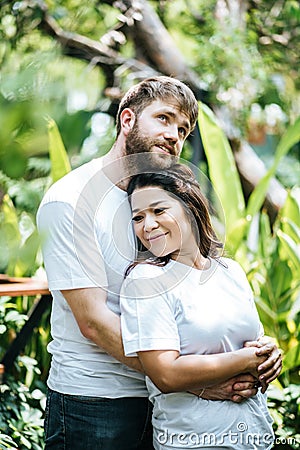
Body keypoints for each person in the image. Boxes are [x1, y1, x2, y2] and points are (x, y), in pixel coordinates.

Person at [37, 76, 281, 450]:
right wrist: (193, 380)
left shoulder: (161, 203)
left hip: (170, 405)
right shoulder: (70, 200)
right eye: (164, 119)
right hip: (97, 401)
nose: (174, 135)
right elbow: (93, 322)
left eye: (183, 129)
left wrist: (259, 351)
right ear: (128, 120)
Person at [120, 163, 278, 449]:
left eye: (158, 211)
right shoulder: (146, 280)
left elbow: (254, 344)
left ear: (189, 206)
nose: (148, 225)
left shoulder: (230, 271)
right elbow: (166, 373)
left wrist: (269, 357)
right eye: (138, 217)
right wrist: (247, 360)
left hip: (254, 435)